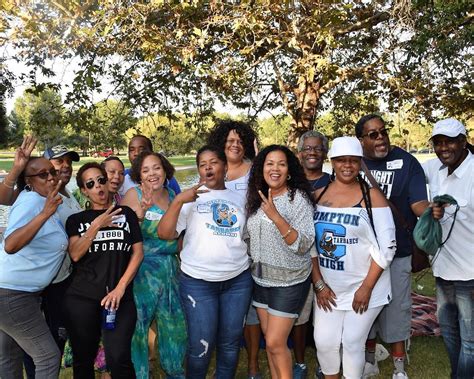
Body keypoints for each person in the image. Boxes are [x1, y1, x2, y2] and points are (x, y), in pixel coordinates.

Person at [158, 146, 252, 378]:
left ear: (225, 166)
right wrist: (179, 199)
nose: (208, 167)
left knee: (230, 344)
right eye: (202, 164)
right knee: (201, 346)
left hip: (237, 281)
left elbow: (248, 235)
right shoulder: (190, 197)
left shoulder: (240, 197)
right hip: (198, 283)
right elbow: (165, 233)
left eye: (214, 162)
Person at [312, 136, 397, 379]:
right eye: (341, 160)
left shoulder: (372, 197)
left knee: (351, 342)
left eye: (353, 160)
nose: (347, 165)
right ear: (332, 162)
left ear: (360, 163)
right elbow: (311, 245)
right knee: (324, 342)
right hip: (329, 288)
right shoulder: (318, 195)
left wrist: (366, 288)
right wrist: (318, 284)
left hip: (366, 286)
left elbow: (387, 247)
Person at [355, 114, 429, 379]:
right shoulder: (354, 164)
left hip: (399, 251)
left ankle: (399, 368)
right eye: (372, 134)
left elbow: (418, 203)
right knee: (367, 309)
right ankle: (369, 361)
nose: (380, 138)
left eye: (383, 132)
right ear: (361, 140)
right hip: (363, 254)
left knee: (398, 309)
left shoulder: (407, 163)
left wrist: (433, 210)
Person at [63, 162, 144, 378]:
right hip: (82, 298)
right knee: (83, 359)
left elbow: (137, 254)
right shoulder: (76, 220)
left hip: (119, 298)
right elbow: (75, 254)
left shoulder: (126, 214)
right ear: (83, 191)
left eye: (101, 180)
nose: (98, 187)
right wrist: (96, 225)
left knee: (119, 358)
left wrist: (120, 288)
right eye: (91, 184)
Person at [246, 145, 315, 379]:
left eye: (281, 164)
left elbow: (304, 243)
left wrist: (276, 217)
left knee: (275, 342)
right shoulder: (257, 196)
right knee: (271, 340)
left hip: (290, 281)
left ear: (289, 170)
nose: (275, 169)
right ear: (261, 168)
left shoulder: (298, 199)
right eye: (269, 163)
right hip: (260, 280)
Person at [0, 157, 66, 378]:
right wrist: (45, 214)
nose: (51, 178)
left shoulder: (40, 199)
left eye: (52, 172)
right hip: (13, 295)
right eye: (42, 175)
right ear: (29, 181)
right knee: (48, 357)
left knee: (9, 356)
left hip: (13, 291)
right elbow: (10, 244)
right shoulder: (33, 202)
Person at [121, 151, 186, 378]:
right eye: (146, 170)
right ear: (139, 175)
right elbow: (124, 233)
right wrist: (141, 213)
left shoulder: (171, 195)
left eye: (156, 167)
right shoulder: (133, 194)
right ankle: (139, 373)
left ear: (165, 169)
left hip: (171, 270)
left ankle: (174, 370)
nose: (152, 174)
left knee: (174, 325)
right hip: (142, 272)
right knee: (138, 328)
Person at [207, 120, 262, 379]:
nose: (235, 144)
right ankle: (219, 358)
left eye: (240, 140)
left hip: (252, 252)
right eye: (229, 140)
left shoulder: (256, 172)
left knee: (250, 314)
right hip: (221, 254)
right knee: (221, 314)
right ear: (221, 143)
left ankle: (252, 364)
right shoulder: (212, 171)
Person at [422, 118, 474, 379]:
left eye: (450, 141)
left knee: (470, 340)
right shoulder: (435, 169)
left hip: (470, 272)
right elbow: (407, 171)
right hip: (443, 269)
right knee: (449, 331)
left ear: (463, 142)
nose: (444, 148)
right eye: (438, 143)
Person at [293, 130, 330, 379]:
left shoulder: (335, 180)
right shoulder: (291, 182)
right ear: (299, 153)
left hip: (329, 256)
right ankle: (299, 362)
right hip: (299, 255)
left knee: (325, 314)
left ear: (325, 153)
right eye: (308, 148)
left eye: (317, 148)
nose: (312, 153)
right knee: (300, 315)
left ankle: (324, 360)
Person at [0, 136, 37, 205]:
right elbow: (3, 199)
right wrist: (16, 168)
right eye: (59, 161)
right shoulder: (29, 195)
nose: (64, 165)